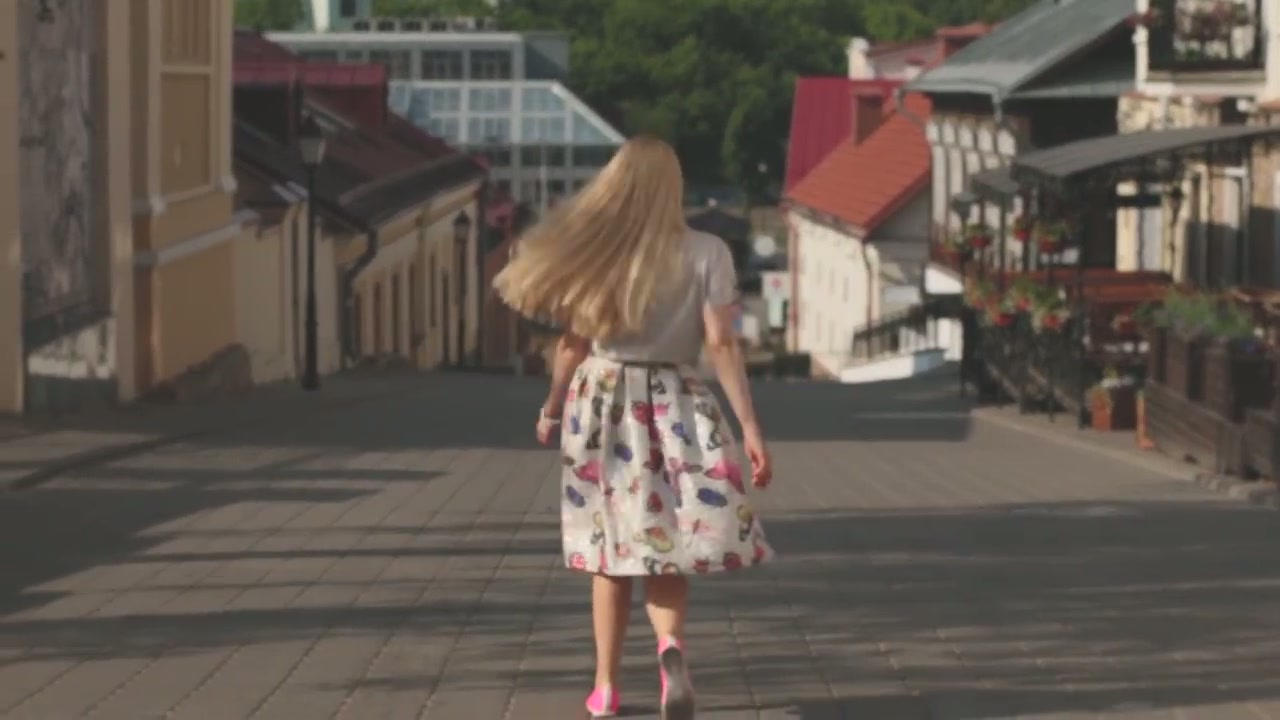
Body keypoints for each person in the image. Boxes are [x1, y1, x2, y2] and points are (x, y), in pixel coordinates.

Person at [493, 135, 776, 720]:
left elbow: (571, 347)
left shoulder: (598, 254)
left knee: (610, 550)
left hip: (604, 402)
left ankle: (606, 688)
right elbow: (722, 344)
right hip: (676, 399)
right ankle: (670, 646)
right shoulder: (709, 251)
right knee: (665, 542)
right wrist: (749, 427)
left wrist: (551, 408)